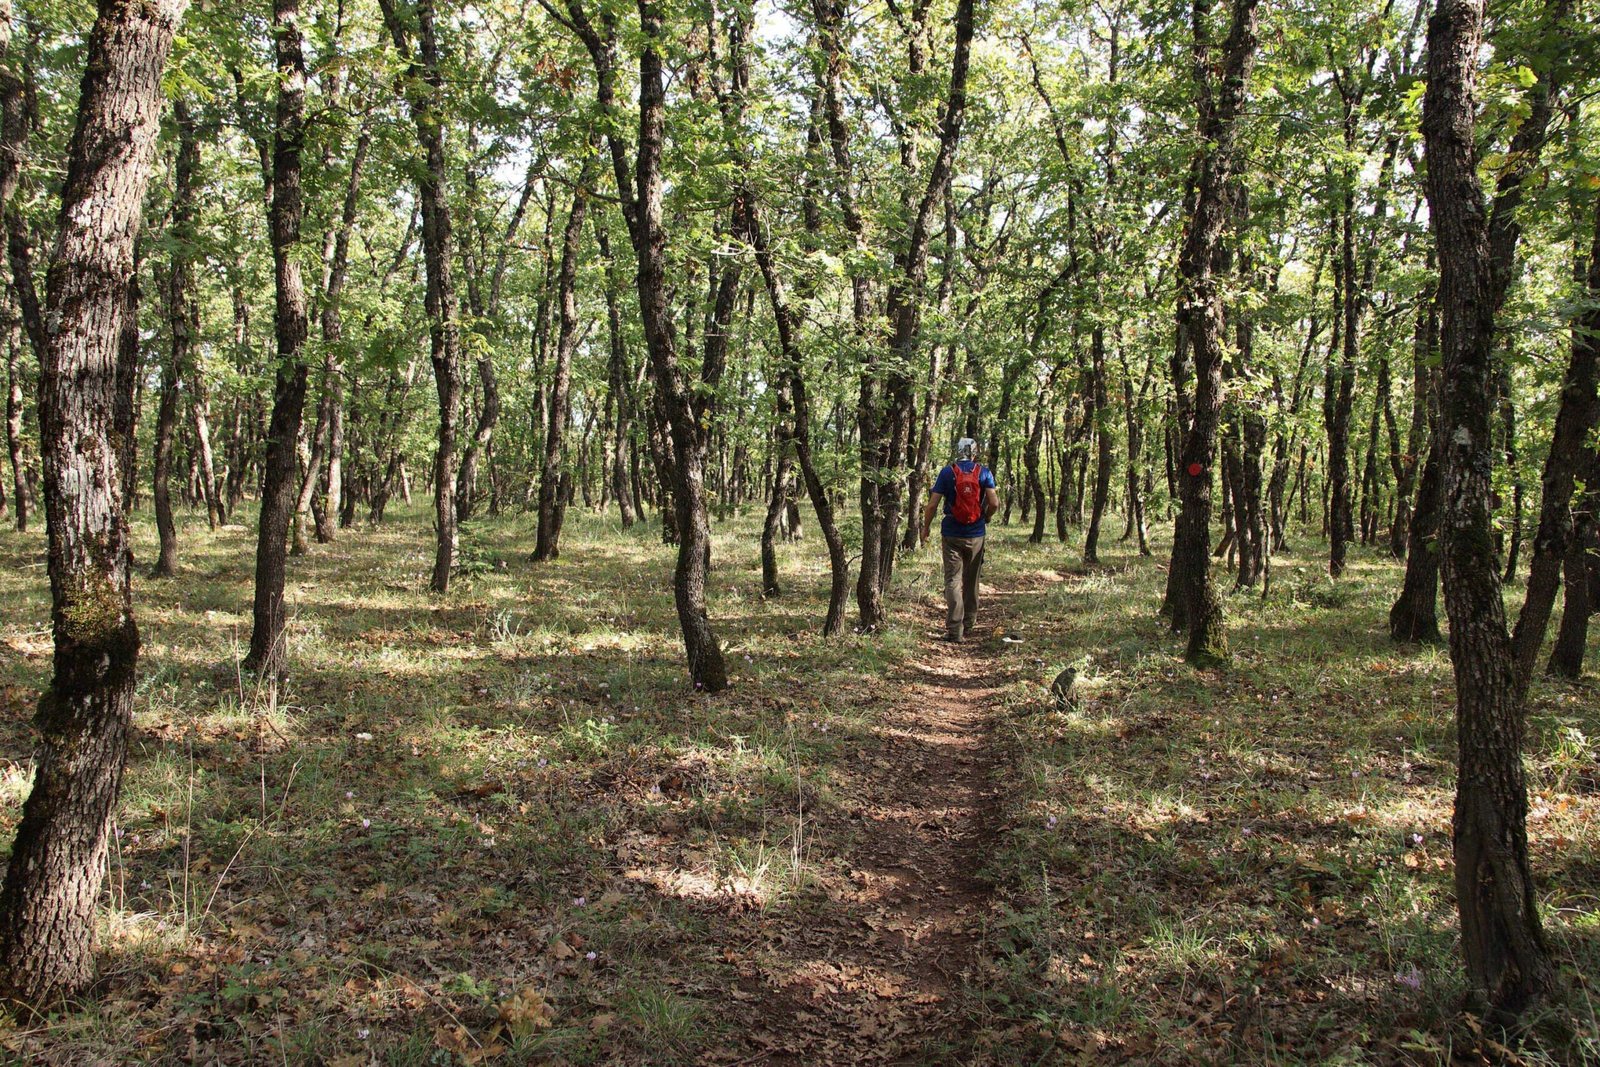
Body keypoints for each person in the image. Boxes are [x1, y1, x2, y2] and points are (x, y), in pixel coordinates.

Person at [920, 438, 1000, 642]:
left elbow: (932, 505)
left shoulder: (947, 472)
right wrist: (986, 517)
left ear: (957, 451)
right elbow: (994, 502)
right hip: (976, 534)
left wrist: (926, 527)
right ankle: (969, 623)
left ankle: (955, 630)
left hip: (951, 534)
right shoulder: (984, 472)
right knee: (971, 579)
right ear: (974, 452)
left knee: (953, 580)